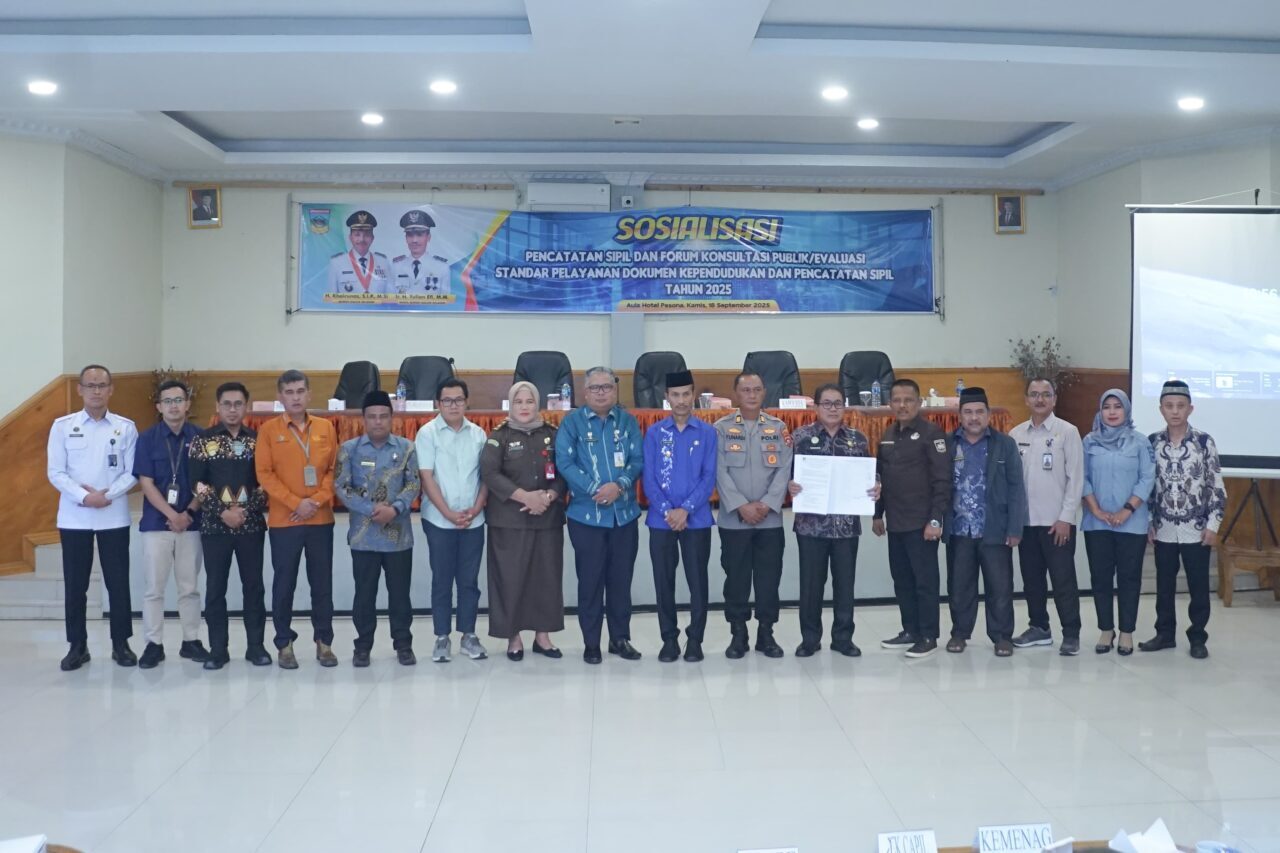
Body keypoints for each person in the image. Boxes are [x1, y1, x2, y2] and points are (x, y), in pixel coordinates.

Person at [46, 365, 139, 670]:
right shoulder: (62, 426)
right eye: (90, 385)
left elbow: (132, 472)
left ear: (111, 389)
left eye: (102, 385)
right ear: (80, 390)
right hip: (75, 518)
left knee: (118, 583)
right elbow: (56, 472)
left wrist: (107, 495)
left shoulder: (125, 427)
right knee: (76, 585)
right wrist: (85, 497)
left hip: (113, 516)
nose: (96, 391)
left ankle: (121, 644)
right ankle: (77, 646)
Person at [556, 367, 644, 664]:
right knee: (591, 582)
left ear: (615, 389)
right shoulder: (572, 423)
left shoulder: (628, 421)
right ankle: (591, 642)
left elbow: (637, 459)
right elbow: (564, 463)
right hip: (587, 517)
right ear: (585, 392)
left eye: (607, 386)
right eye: (595, 388)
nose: (602, 392)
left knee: (621, 581)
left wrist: (619, 486)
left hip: (624, 515)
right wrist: (596, 489)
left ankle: (620, 639)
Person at [255, 369, 340, 668]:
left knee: (322, 584)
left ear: (309, 394)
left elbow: (334, 470)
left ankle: (324, 642)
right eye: (289, 392)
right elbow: (264, 474)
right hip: (284, 520)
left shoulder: (325, 428)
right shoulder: (268, 430)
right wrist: (296, 503)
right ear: (280, 396)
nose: (295, 398)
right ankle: (284, 643)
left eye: (300, 391)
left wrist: (315, 501)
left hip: (320, 519)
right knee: (284, 585)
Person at [479, 381, 567, 661]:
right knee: (510, 579)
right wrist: (525, 497)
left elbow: (565, 470)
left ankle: (543, 636)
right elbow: (490, 473)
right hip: (509, 521)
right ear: (511, 405)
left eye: (529, 401)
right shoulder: (499, 436)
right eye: (519, 402)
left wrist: (549, 496)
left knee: (547, 578)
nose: (525, 407)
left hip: (547, 517)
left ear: (537, 404)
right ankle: (513, 636)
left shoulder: (553, 434)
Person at [787, 383, 877, 657]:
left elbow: (870, 473)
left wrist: (876, 485)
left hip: (846, 527)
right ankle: (810, 639)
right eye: (826, 403)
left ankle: (843, 638)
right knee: (811, 586)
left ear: (844, 406)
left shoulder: (858, 439)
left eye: (838, 403)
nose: (833, 409)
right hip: (811, 526)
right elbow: (786, 473)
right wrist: (790, 485)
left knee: (845, 585)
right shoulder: (800, 437)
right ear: (816, 407)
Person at [1140, 380, 1227, 659]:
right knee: (1164, 585)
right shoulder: (1152, 442)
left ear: (1190, 409)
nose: (1175, 411)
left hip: (1196, 527)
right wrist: (1148, 521)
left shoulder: (1203, 442)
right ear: (1161, 409)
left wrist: (1213, 525)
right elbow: (1147, 486)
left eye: (1180, 406)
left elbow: (1216, 486)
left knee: (1198, 586)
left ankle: (1198, 637)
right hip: (1163, 527)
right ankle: (1165, 634)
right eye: (1169, 406)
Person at [189, 381, 271, 670]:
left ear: (246, 407)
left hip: (251, 525)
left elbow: (266, 481)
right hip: (215, 526)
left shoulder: (259, 440)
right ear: (218, 406)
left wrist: (245, 511)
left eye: (238, 404)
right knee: (215, 589)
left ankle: (256, 647)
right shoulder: (202, 440)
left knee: (254, 587)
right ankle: (218, 649)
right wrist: (223, 512)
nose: (232, 410)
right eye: (227, 404)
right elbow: (197, 483)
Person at [335, 391, 421, 667]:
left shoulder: (407, 448)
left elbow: (413, 483)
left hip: (398, 538)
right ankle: (362, 647)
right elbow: (341, 486)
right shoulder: (349, 449)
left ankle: (403, 645)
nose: (378, 422)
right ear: (364, 419)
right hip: (364, 538)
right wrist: (371, 509)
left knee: (400, 595)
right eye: (372, 417)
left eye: (383, 416)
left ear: (391, 418)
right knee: (364, 595)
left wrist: (394, 508)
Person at [944, 387, 1028, 657]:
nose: (974, 417)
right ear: (959, 415)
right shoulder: (948, 443)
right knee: (959, 586)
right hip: (959, 529)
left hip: (995, 528)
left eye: (979, 412)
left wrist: (1015, 527)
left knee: (1000, 587)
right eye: (968, 412)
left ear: (989, 415)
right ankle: (959, 633)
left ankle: (1002, 636)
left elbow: (1016, 488)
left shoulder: (1005, 444)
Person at [714, 372, 792, 658]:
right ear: (736, 394)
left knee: (769, 579)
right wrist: (741, 506)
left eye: (756, 389)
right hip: (734, 520)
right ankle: (738, 633)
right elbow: (718, 471)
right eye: (745, 390)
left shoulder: (778, 428)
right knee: (736, 579)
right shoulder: (721, 429)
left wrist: (767, 504)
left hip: (769, 520)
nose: (751, 394)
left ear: (764, 392)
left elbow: (785, 470)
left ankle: (766, 633)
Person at [643, 370, 717, 663]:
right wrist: (668, 511)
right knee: (664, 582)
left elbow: (709, 477)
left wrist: (686, 509)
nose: (682, 400)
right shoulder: (654, 433)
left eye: (686, 394)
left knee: (698, 581)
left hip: (696, 519)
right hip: (660, 521)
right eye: (675, 395)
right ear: (667, 398)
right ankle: (669, 639)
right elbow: (648, 479)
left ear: (694, 395)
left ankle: (695, 639)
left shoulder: (707, 433)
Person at [872, 378, 950, 658]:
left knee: (925, 582)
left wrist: (936, 520)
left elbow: (942, 481)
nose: (902, 405)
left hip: (922, 524)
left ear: (919, 403)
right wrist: (877, 514)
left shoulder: (932, 434)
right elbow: (880, 478)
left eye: (908, 400)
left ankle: (928, 635)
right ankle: (910, 630)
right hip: (896, 522)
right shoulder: (887, 434)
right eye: (897, 400)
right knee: (902, 580)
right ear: (890, 403)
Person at [133, 379, 208, 668]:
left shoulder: (201, 437)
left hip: (191, 523)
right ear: (159, 406)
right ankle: (153, 644)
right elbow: (146, 483)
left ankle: (191, 641)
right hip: (157, 524)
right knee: (154, 588)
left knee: (189, 587)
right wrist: (171, 514)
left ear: (187, 404)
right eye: (168, 401)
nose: (173, 406)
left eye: (178, 400)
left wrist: (187, 513)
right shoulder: (147, 438)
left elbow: (206, 482)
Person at [1010, 377, 1085, 656]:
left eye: (1045, 394)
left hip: (1057, 524)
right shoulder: (1016, 434)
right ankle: (1039, 628)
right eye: (1034, 394)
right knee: (1032, 581)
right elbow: (1013, 482)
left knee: (1063, 581)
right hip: (1027, 523)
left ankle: (1071, 634)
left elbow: (1076, 479)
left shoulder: (1068, 432)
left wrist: (1066, 517)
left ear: (1054, 399)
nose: (1039, 399)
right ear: (1026, 399)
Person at [416, 377, 488, 663]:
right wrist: (447, 512)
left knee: (469, 581)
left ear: (467, 402)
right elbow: (426, 476)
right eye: (447, 400)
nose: (453, 405)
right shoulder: (427, 434)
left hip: (473, 519)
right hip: (439, 520)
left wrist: (476, 508)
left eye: (458, 400)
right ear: (438, 403)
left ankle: (469, 635)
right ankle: (442, 637)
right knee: (442, 579)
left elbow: (486, 477)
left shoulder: (479, 434)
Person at [1082, 389, 1156, 656]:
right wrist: (1096, 509)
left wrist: (1127, 510)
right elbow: (1082, 477)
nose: (1112, 412)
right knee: (1100, 578)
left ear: (1126, 410)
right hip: (1097, 522)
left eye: (1117, 406)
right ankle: (1106, 629)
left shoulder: (1140, 442)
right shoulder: (1089, 441)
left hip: (1132, 523)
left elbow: (1147, 478)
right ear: (1100, 411)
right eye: (1107, 407)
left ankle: (1126, 632)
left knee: (1129, 578)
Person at [328, 210, 394, 294]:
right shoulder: (336, 263)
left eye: (366, 235)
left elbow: (390, 296)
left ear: (372, 238)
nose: (362, 239)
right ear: (350, 237)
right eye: (357, 235)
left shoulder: (383, 262)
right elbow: (332, 298)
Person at [392, 209, 452, 294]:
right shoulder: (395, 267)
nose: (414, 240)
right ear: (406, 238)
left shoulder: (442, 268)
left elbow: (446, 300)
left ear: (428, 237)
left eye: (419, 235)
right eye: (410, 235)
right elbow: (390, 300)